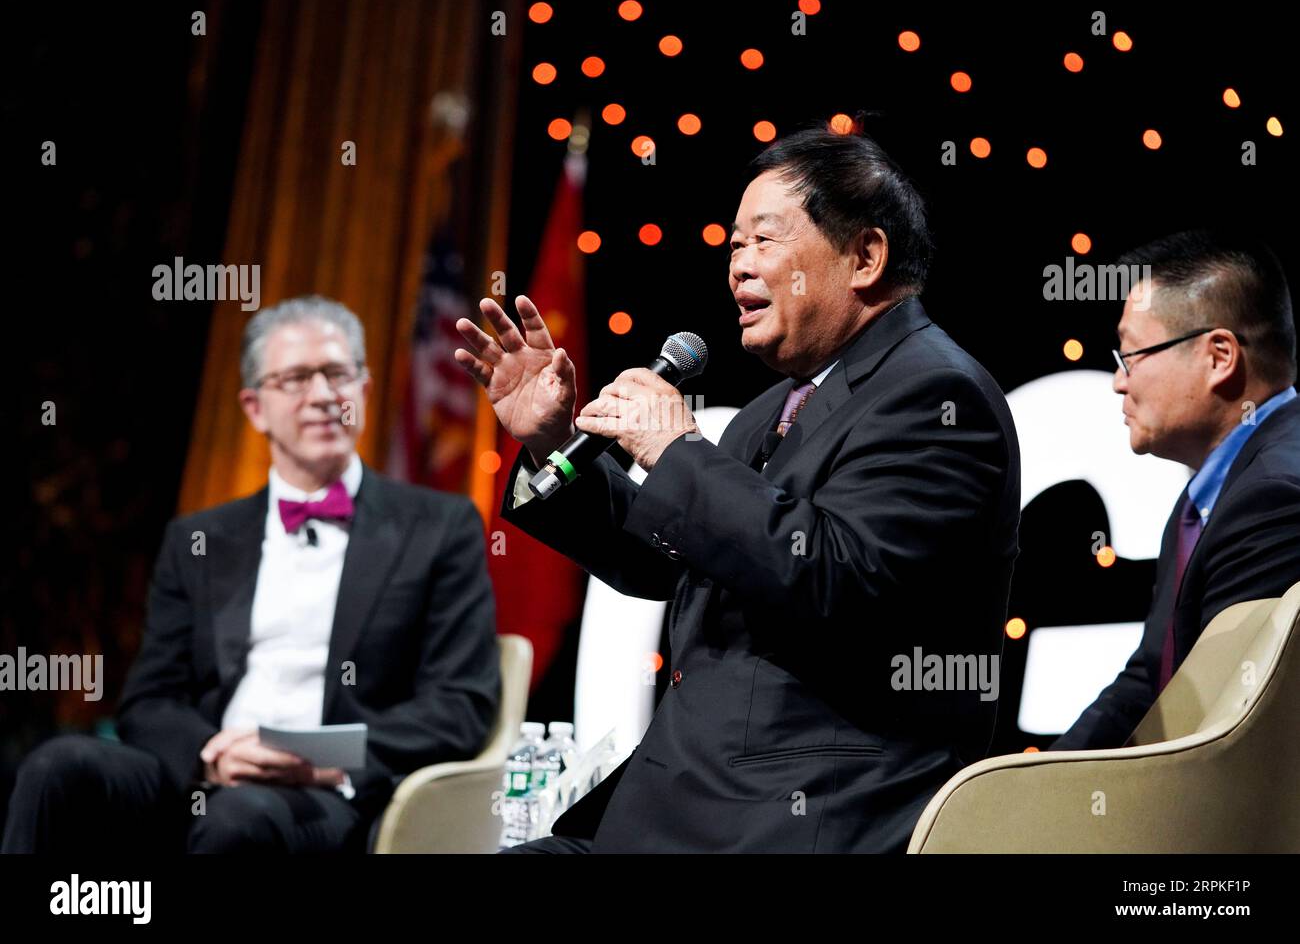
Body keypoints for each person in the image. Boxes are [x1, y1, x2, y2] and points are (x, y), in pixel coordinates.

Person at [455, 127, 1021, 852]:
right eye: (732, 247)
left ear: (866, 257)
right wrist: (552, 442)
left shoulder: (936, 394)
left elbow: (833, 576)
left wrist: (676, 449)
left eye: (764, 241)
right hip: (688, 803)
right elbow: (668, 561)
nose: (738, 268)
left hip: (806, 813)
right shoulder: (773, 409)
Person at [3, 296, 499, 853]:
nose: (321, 396)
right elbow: (150, 700)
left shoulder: (440, 526)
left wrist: (319, 756)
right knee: (57, 767)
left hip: (328, 793)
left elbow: (459, 705)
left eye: (337, 374)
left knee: (238, 821)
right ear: (254, 406)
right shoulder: (200, 539)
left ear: (363, 389)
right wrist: (213, 754)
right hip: (207, 771)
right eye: (294, 379)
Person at [1052, 231, 1300, 751]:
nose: (1119, 382)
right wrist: (1021, 789)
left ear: (1219, 357)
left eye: (1131, 355)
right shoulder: (1207, 499)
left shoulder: (1276, 496)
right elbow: (1148, 681)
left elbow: (1221, 732)